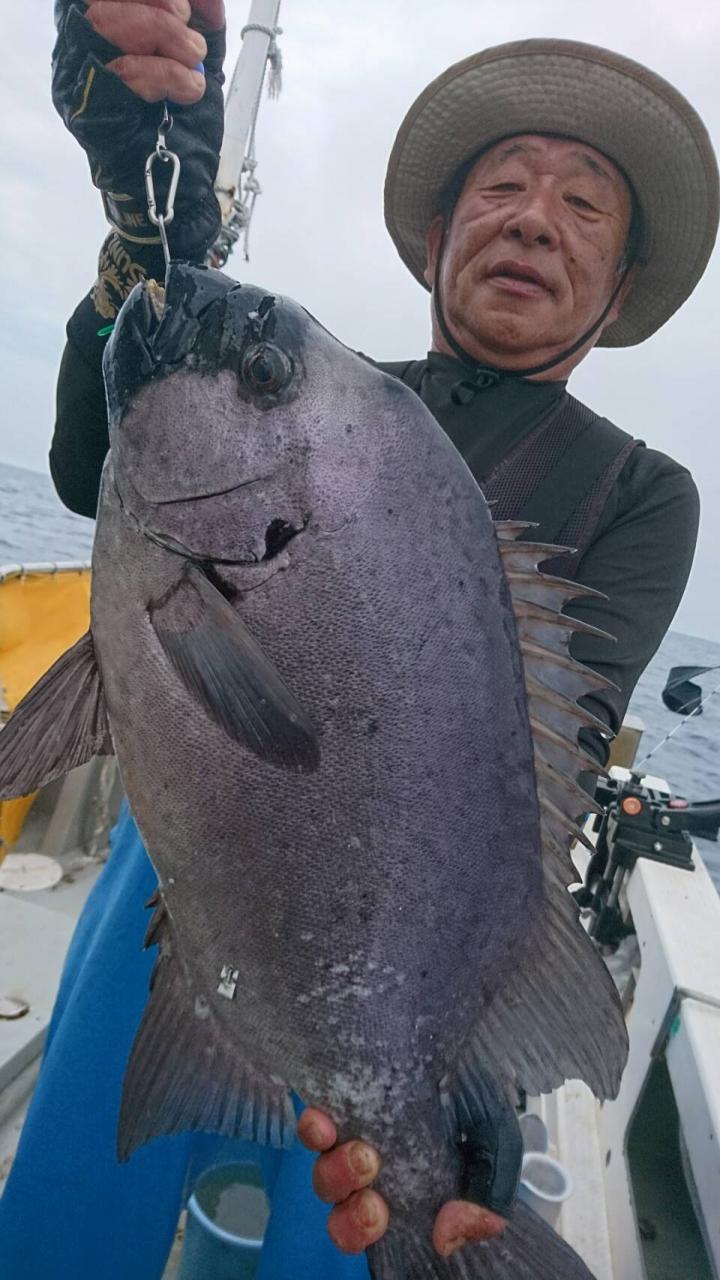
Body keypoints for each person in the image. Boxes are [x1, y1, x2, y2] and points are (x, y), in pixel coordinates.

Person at [0, 3, 716, 1277]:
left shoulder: (643, 491)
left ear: (616, 295)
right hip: (177, 877)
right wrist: (139, 217)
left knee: (343, 1235)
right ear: (439, 239)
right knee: (68, 1205)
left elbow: (523, 780)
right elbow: (84, 461)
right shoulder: (314, 399)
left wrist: (468, 1105)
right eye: (502, 186)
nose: (535, 217)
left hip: (408, 946)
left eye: (585, 207)